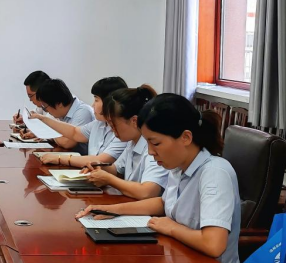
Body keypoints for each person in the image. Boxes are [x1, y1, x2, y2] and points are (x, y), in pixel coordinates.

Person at [75, 94, 241, 263]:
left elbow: (213, 244)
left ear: (186, 137)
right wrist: (113, 210)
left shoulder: (215, 173)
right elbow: (163, 203)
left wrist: (171, 228)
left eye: (155, 143)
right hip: (178, 252)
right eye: (147, 143)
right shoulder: (178, 166)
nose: (150, 152)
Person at [83, 85, 169, 199]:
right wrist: (100, 167)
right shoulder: (132, 142)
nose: (112, 130)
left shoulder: (153, 148)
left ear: (134, 121)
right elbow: (117, 170)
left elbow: (147, 192)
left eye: (113, 124)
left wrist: (108, 179)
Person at [37, 77, 127, 165]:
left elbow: (100, 160)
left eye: (96, 100)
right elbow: (74, 132)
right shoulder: (98, 123)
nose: (93, 105)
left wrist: (59, 158)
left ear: (110, 102)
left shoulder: (123, 131)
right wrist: (43, 119)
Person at [26, 78, 95, 151]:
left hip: (82, 156)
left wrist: (48, 133)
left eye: (45, 107)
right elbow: (58, 136)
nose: (47, 111)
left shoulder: (83, 112)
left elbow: (67, 143)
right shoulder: (61, 112)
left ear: (59, 104)